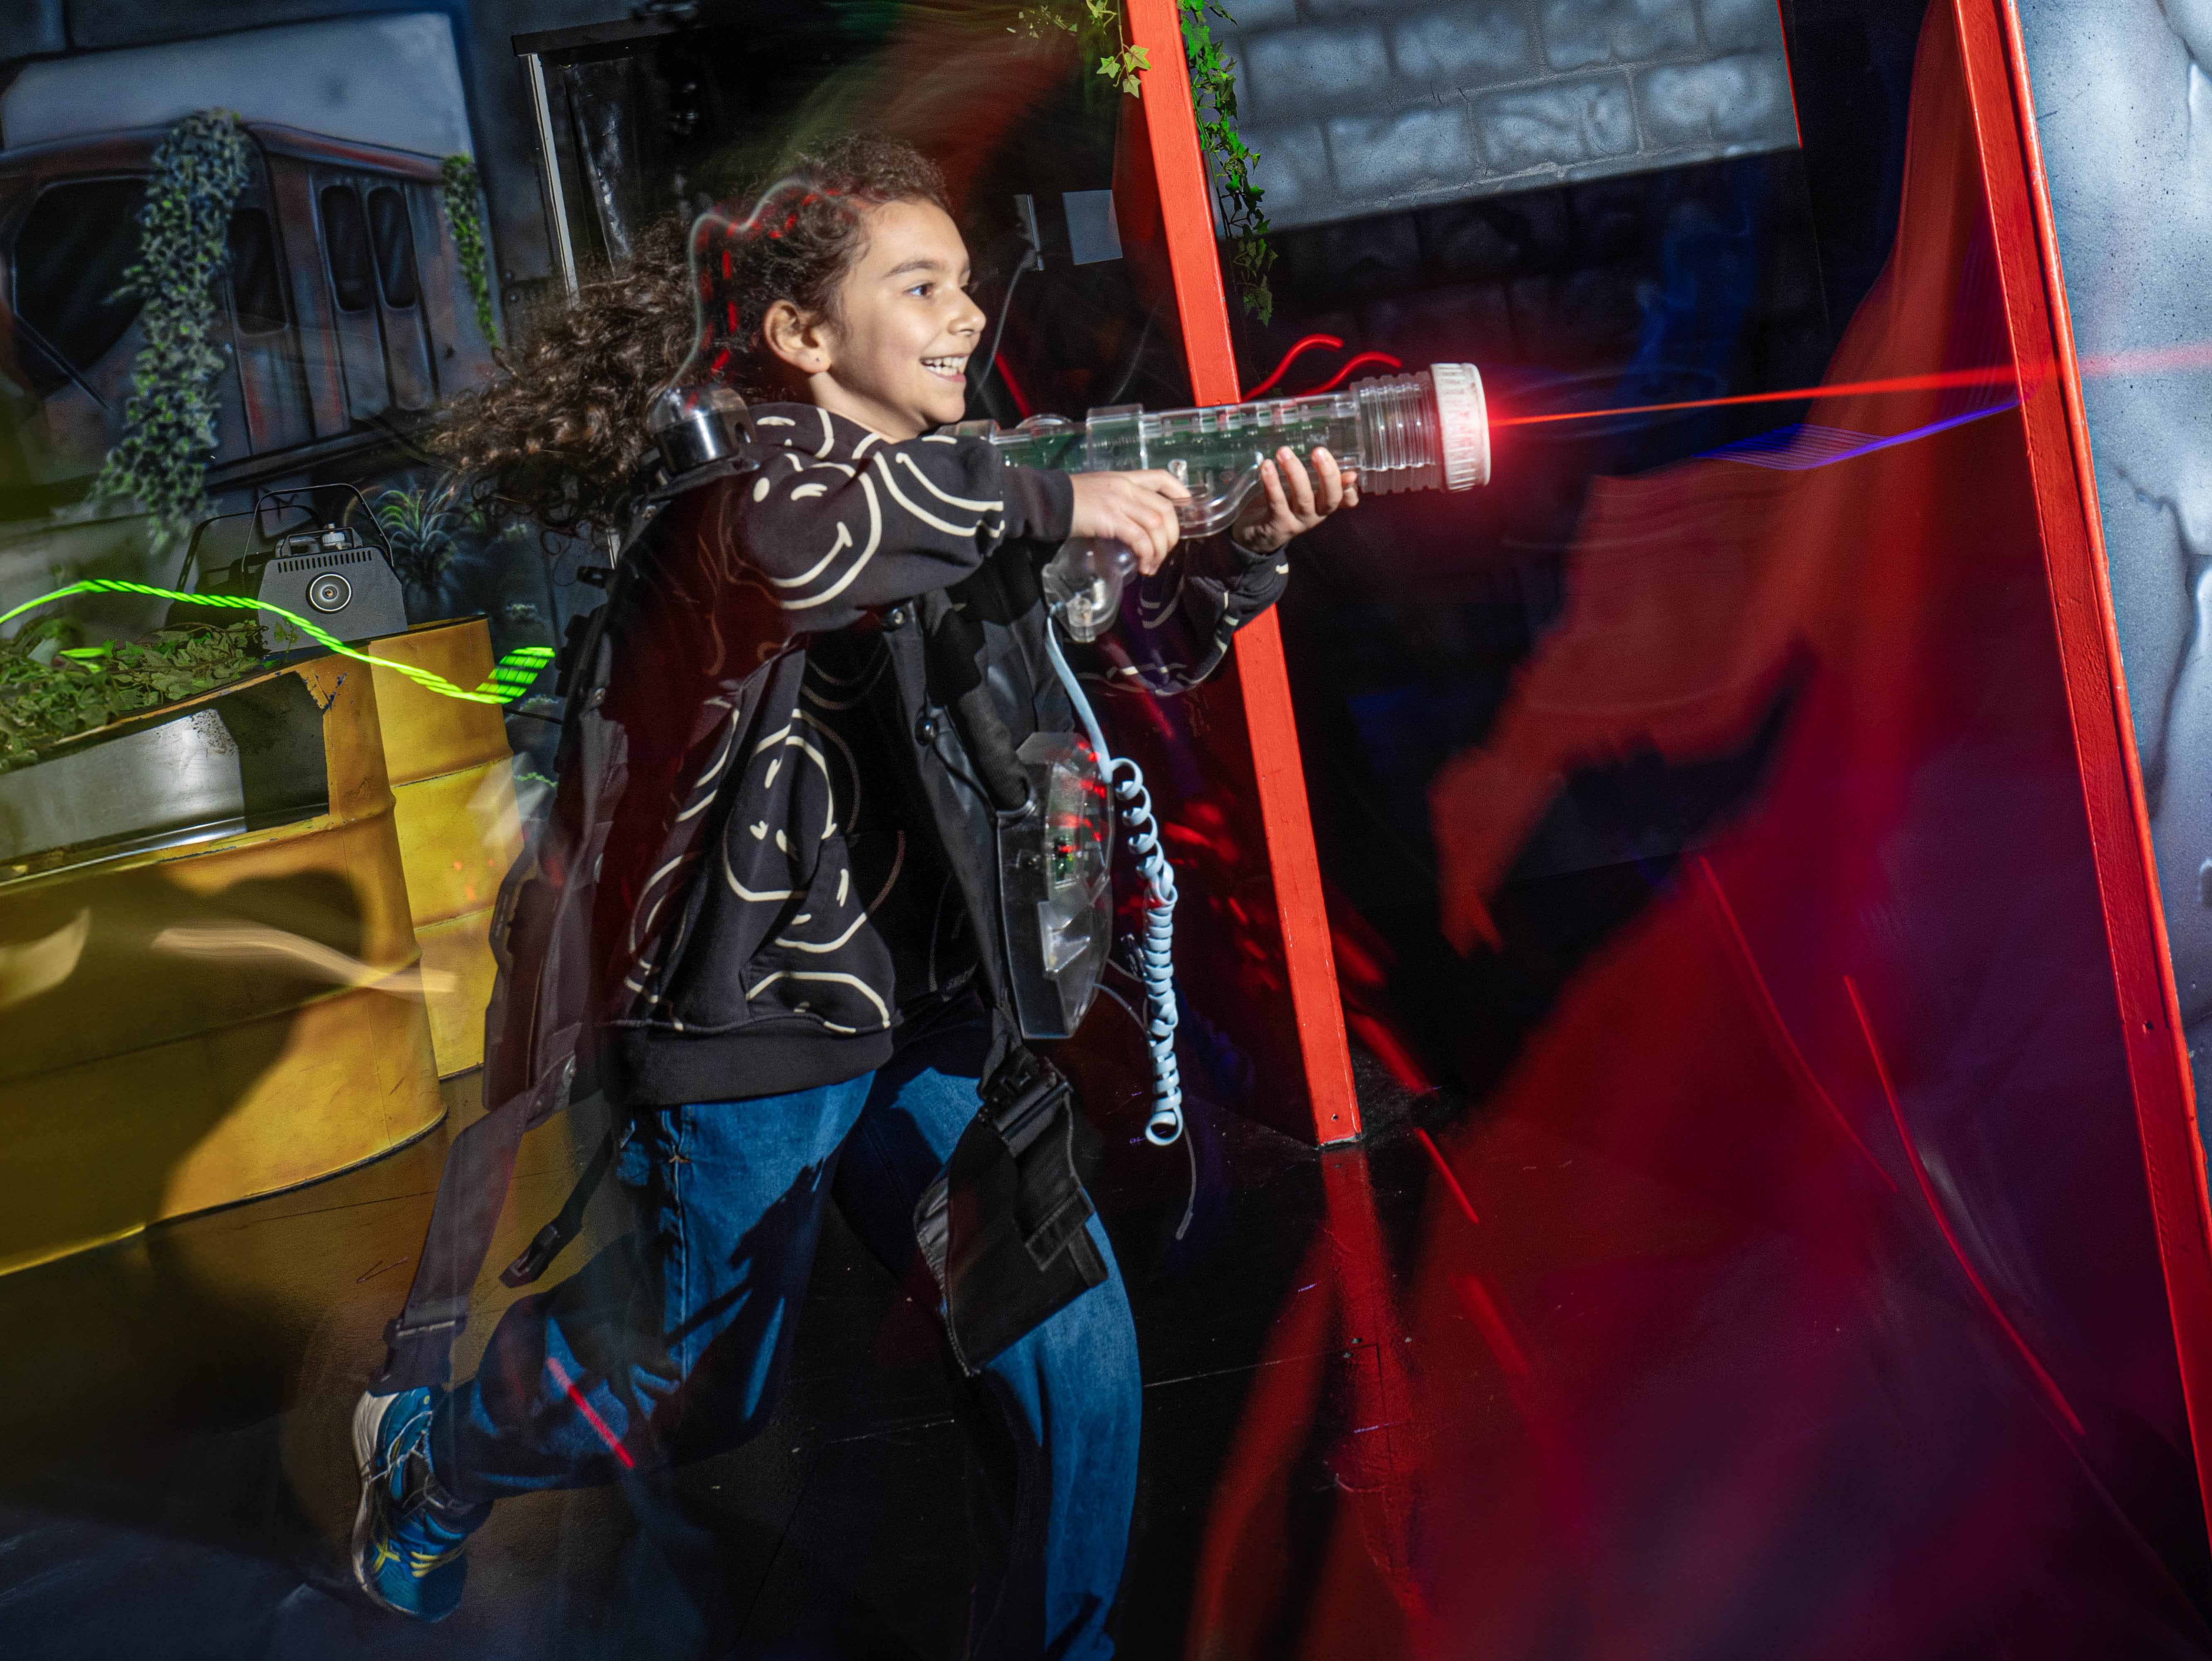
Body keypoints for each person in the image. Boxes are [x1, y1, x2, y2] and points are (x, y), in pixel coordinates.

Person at [350, 134, 1358, 1656]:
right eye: (922, 283)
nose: (969, 316)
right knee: (693, 1387)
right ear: (803, 337)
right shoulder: (734, 496)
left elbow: (1113, 658)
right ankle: (438, 1461)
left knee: (1077, 1369)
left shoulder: (957, 491)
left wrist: (1234, 565)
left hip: (931, 1023)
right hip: (748, 1039)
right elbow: (809, 545)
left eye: (967, 283)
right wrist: (1051, 498)